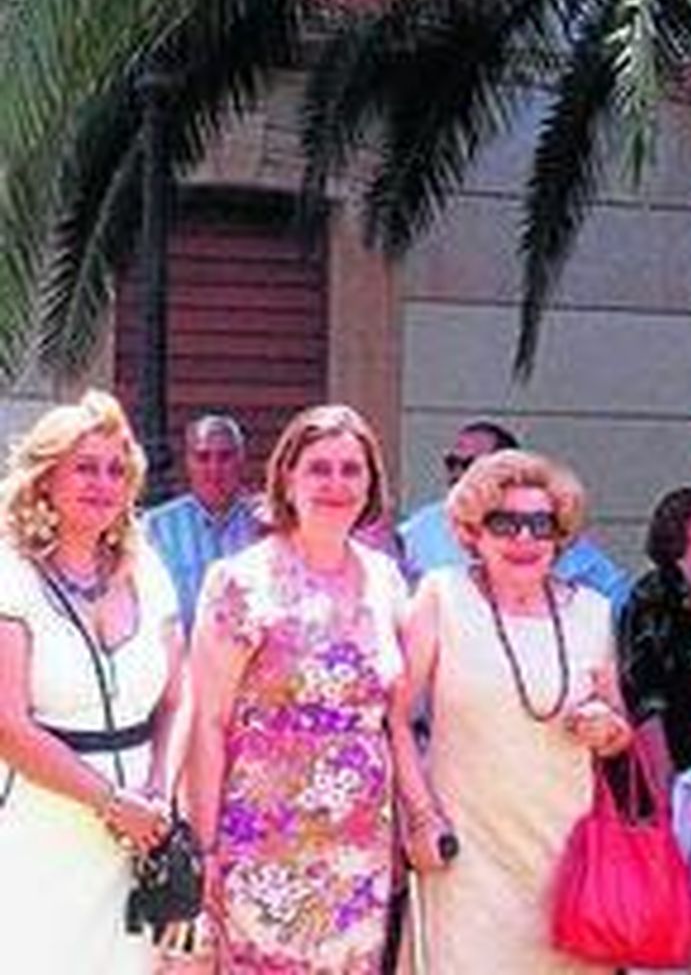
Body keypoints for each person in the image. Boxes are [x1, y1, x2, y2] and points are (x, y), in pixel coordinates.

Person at [186, 404, 410, 971]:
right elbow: (207, 721)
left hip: (359, 845)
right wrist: (204, 847)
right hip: (261, 840)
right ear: (287, 476)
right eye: (319, 468)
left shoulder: (385, 578)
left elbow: (394, 715)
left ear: (371, 483)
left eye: (350, 470)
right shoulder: (240, 580)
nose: (336, 484)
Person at [391, 449, 632, 973]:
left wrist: (607, 728)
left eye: (540, 525)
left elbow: (620, 730)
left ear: (560, 535)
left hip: (566, 861)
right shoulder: (442, 596)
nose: (524, 540)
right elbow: (395, 719)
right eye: (505, 524)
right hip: (466, 855)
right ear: (473, 531)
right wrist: (420, 816)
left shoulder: (592, 613)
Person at [0, 390, 186, 973]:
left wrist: (159, 787)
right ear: (46, 478)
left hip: (138, 836)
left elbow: (180, 698)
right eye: (85, 467)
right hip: (41, 821)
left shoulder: (148, 571)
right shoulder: (11, 576)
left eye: (115, 470)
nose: (102, 483)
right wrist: (111, 803)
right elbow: (9, 727)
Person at [399, 420, 632, 610]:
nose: (457, 473)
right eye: (452, 463)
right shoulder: (420, 529)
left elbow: (616, 596)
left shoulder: (544, 527)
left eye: (469, 464)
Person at [618, 486, 691, 792]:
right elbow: (642, 690)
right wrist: (661, 772)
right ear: (682, 527)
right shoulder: (654, 594)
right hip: (675, 756)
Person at [142, 413, 262, 633]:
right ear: (188, 462)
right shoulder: (156, 527)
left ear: (241, 460)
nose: (214, 469)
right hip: (182, 659)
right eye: (203, 457)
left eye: (224, 457)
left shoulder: (263, 523)